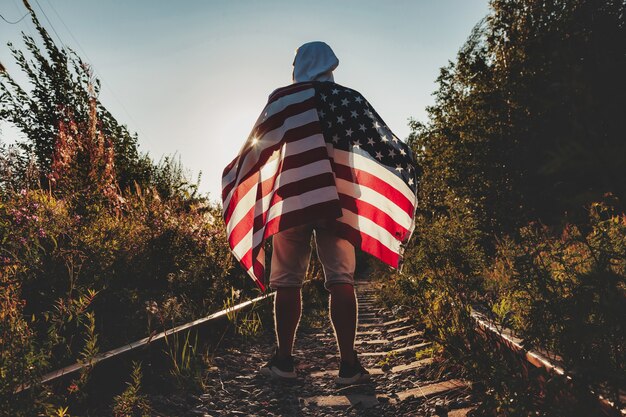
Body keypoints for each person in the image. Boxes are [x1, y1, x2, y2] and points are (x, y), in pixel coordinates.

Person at [259, 41, 370, 385]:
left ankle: (284, 360)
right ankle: (348, 365)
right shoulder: (349, 100)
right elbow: (370, 142)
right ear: (330, 65)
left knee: (287, 279)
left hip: (293, 198)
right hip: (337, 198)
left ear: (300, 65)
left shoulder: (282, 99)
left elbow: (262, 145)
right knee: (341, 279)